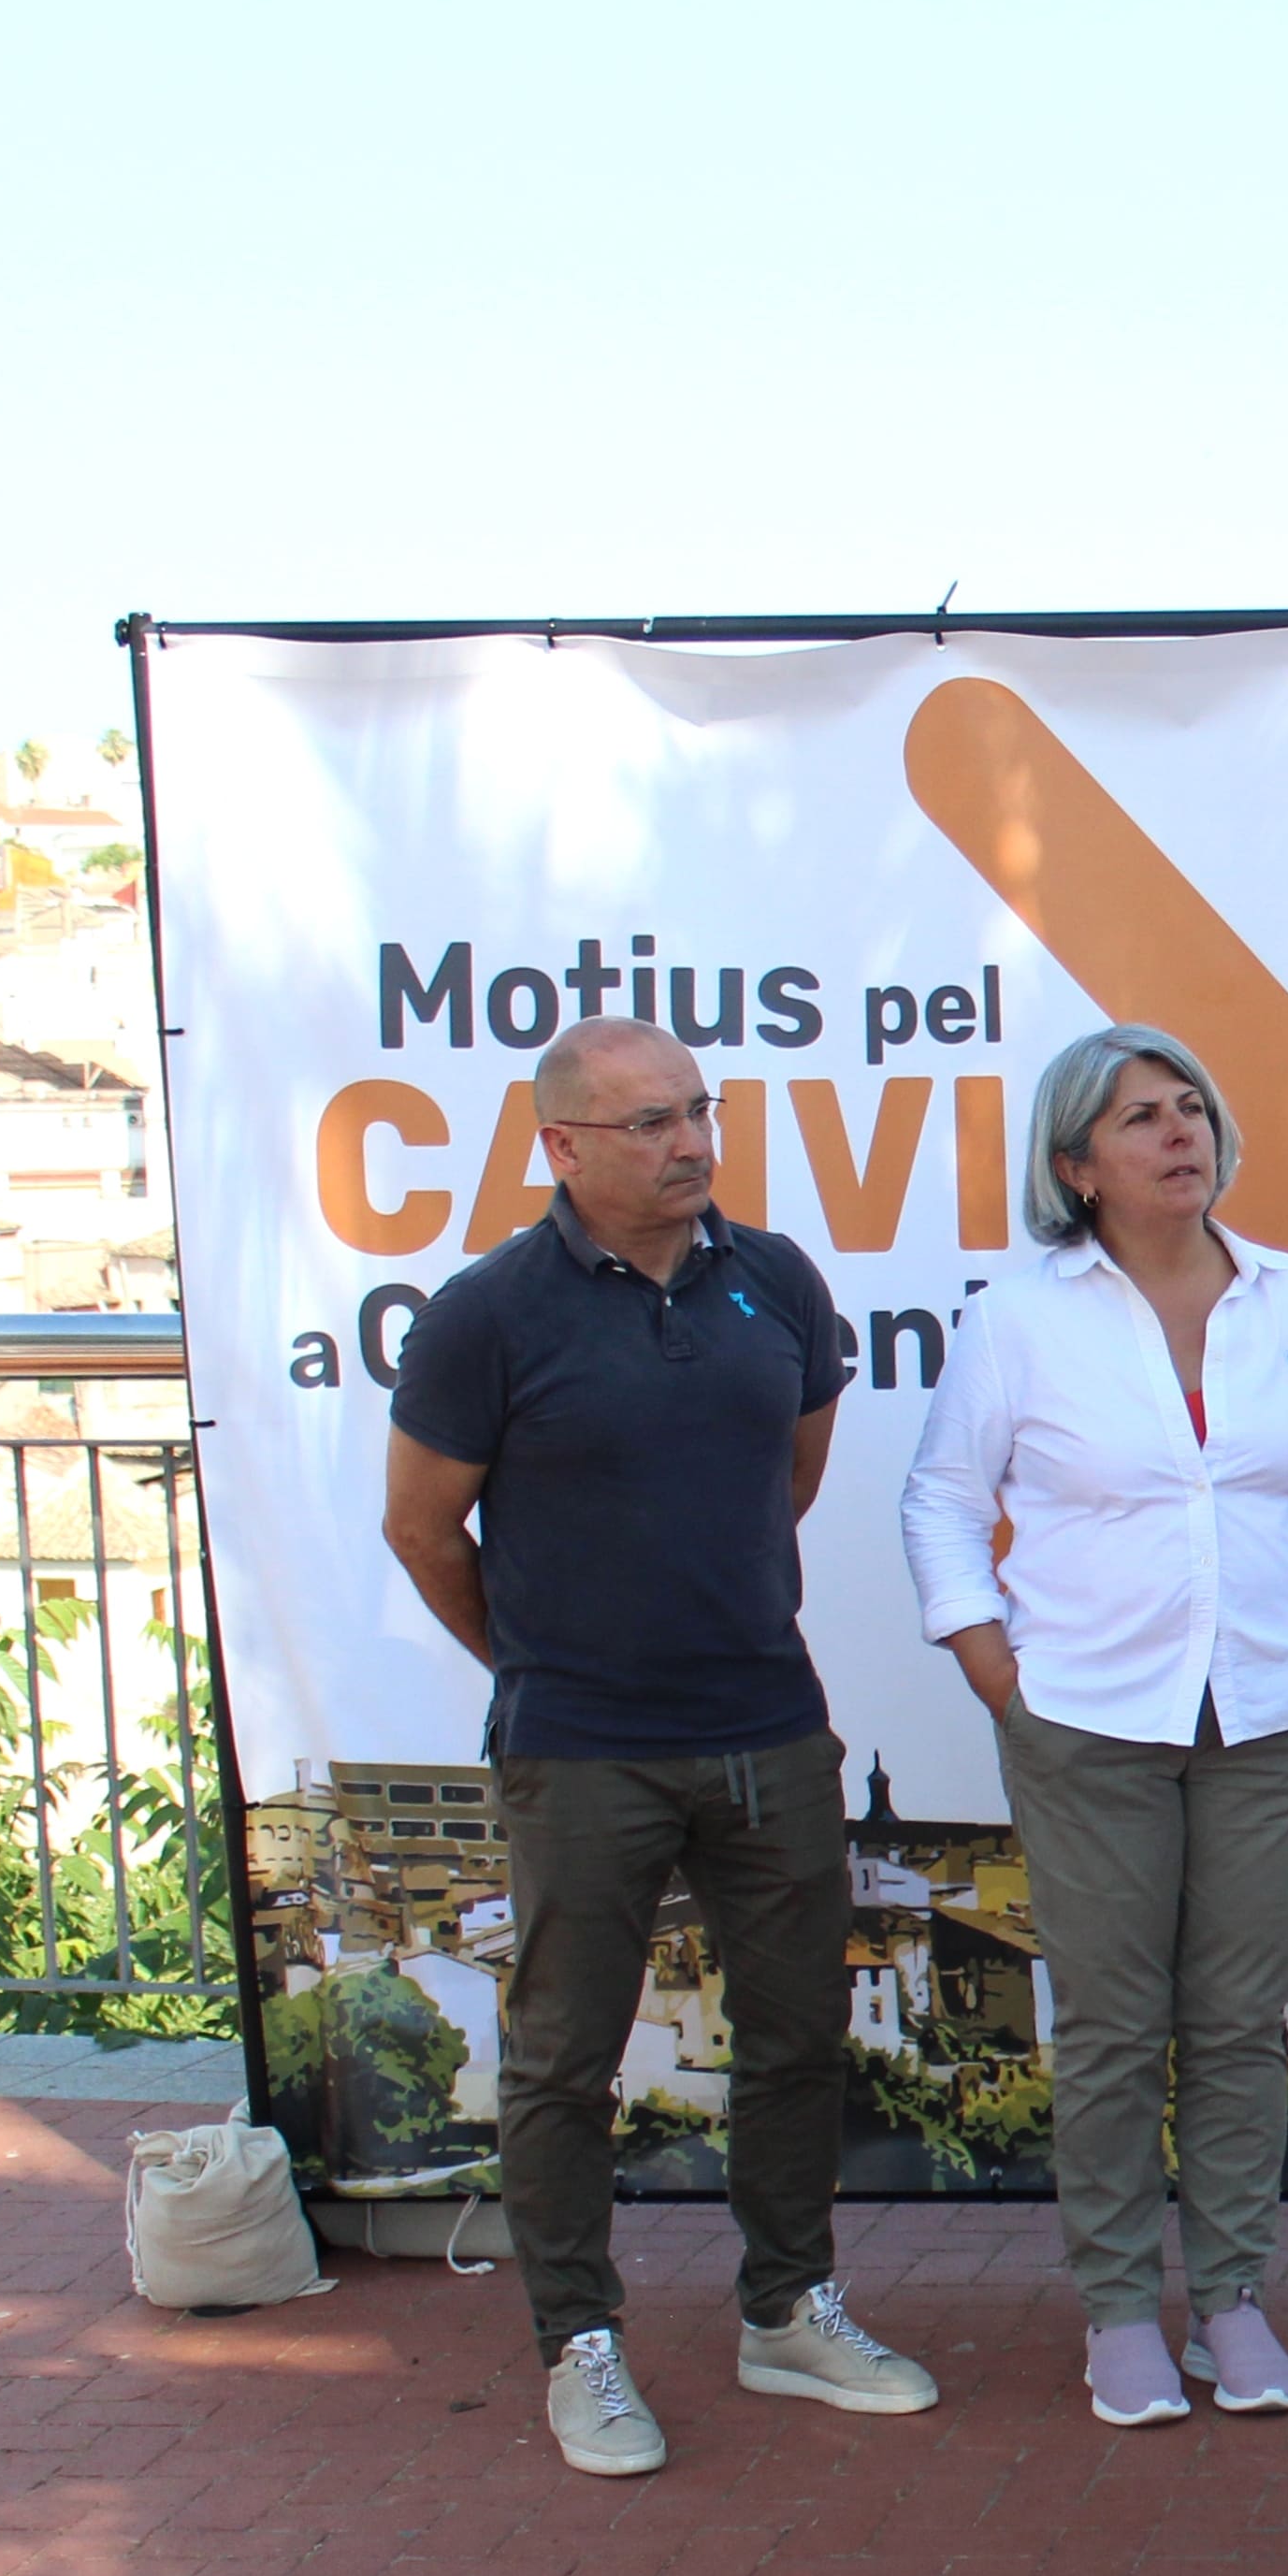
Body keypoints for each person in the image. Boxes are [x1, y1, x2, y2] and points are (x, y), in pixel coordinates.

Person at [384, 1015, 940, 2479]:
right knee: (565, 2061)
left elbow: (789, 1472)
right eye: (649, 1123)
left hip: (768, 1725)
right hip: (582, 1749)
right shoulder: (485, 1315)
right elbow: (423, 1529)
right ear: (559, 1147)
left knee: (798, 2039)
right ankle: (580, 2345)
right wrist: (543, 1662)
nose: (690, 1143)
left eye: (699, 1111)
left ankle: (787, 2313)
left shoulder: (777, 1282)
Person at [902, 1024, 1288, 2428]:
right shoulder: (1024, 1318)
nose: (1179, 1132)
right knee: (1118, 2026)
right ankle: (1122, 2311)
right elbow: (943, 1496)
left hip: (1273, 1708)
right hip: (1081, 1714)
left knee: (1238, 2022)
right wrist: (989, 1659)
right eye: (1139, 1119)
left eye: (1192, 1106)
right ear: (1077, 1167)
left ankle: (1230, 2300)